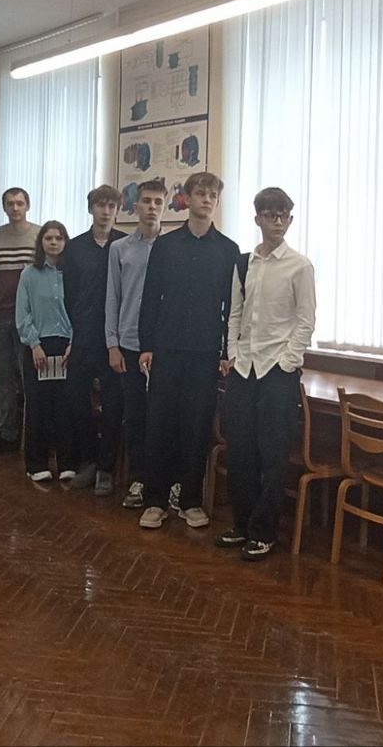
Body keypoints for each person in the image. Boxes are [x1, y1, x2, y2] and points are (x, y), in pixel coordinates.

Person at [216, 187, 316, 561]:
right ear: (257, 218)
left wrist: (287, 362)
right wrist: (233, 353)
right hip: (244, 368)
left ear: (290, 220)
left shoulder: (300, 265)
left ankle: (264, 532)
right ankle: (241, 525)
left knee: (272, 454)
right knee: (240, 451)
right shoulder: (244, 263)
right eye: (270, 215)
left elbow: (306, 321)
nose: (277, 222)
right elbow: (235, 314)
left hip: (277, 371)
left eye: (283, 216)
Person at [137, 171, 239, 530]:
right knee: (160, 424)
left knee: (196, 427)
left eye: (213, 195)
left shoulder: (228, 250)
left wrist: (226, 351)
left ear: (217, 201)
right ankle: (155, 500)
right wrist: (147, 345)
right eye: (200, 193)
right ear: (188, 198)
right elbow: (151, 297)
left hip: (205, 352)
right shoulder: (166, 245)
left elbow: (232, 307)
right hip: (166, 348)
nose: (206, 200)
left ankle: (190, 500)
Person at [105, 178, 167, 509]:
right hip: (128, 344)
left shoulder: (173, 248)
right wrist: (112, 344)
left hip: (163, 347)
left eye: (158, 202)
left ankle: (164, 483)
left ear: (165, 206)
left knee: (163, 418)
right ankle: (138, 480)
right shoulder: (120, 249)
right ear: (135, 206)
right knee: (135, 416)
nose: (152, 207)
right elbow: (112, 298)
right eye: (146, 201)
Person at [62, 185, 127, 494]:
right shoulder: (75, 247)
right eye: (100, 205)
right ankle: (88, 460)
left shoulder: (126, 245)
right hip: (84, 336)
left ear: (118, 210)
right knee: (77, 401)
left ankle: (105, 468)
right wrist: (75, 332)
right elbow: (69, 294)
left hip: (115, 340)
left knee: (114, 405)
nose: (106, 211)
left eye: (111, 206)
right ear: (91, 209)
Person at [0, 188, 40, 452]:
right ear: (4, 207)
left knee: (30, 378)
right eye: (10, 204)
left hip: (30, 318)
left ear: (27, 206)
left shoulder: (39, 234)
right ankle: (7, 433)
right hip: (0, 317)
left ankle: (33, 435)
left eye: (19, 203)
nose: (15, 208)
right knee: (3, 377)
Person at [16, 221, 73, 482]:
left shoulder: (72, 273)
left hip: (67, 346)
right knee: (38, 406)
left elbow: (80, 310)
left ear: (65, 242)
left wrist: (74, 342)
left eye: (58, 238)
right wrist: (34, 344)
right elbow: (22, 313)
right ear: (41, 242)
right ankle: (36, 464)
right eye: (48, 238)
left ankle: (67, 462)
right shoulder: (29, 274)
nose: (53, 243)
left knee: (65, 406)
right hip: (38, 346)